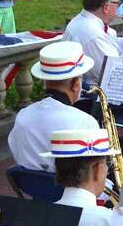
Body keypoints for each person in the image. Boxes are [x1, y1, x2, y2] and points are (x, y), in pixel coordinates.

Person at [8, 41, 100, 171]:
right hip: (72, 190)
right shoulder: (85, 122)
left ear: (44, 80)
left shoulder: (23, 116)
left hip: (32, 190)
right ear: (75, 84)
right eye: (81, 78)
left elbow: (17, 153)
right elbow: (94, 173)